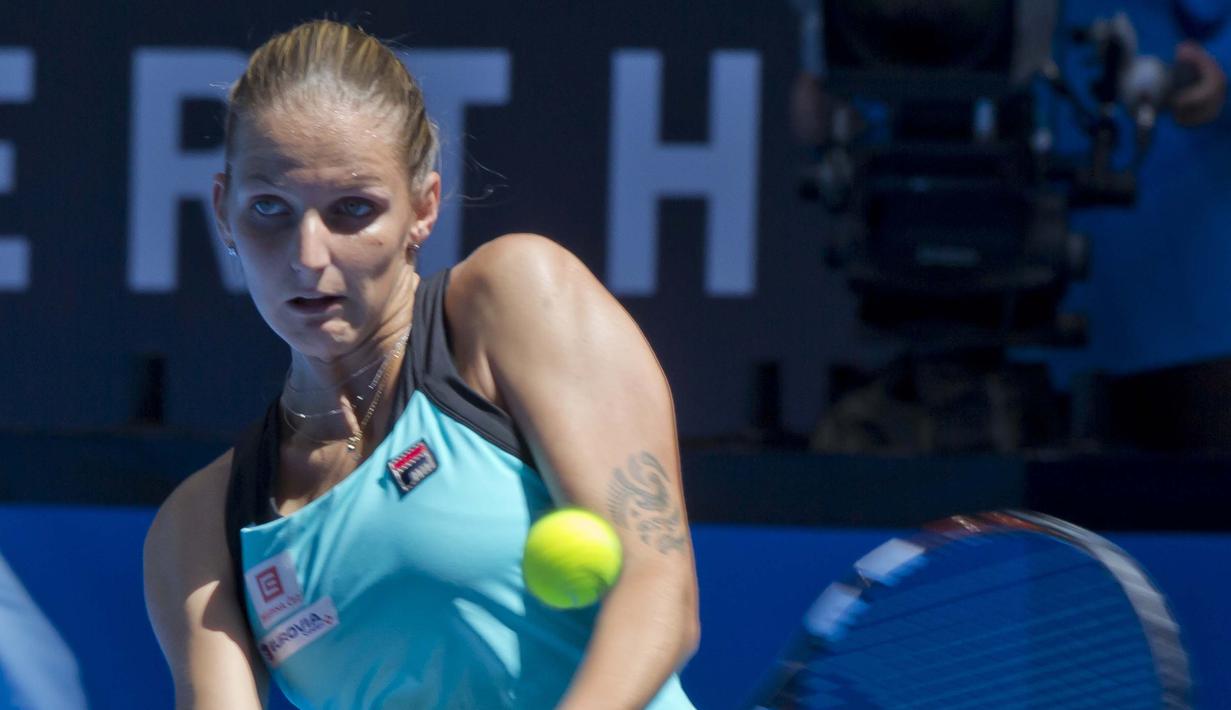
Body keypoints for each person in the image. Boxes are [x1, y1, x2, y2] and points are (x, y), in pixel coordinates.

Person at [142, 19, 699, 709]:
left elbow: (657, 591)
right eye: (270, 208)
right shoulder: (200, 529)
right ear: (224, 213)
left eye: (353, 209)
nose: (308, 256)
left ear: (423, 208)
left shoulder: (514, 299)